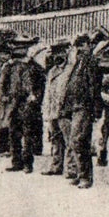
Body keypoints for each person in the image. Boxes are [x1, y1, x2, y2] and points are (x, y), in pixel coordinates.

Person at [60, 33, 104, 189]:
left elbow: (94, 87)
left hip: (84, 107)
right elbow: (70, 84)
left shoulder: (91, 63)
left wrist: (96, 109)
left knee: (79, 140)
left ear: (89, 46)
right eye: (77, 46)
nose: (79, 49)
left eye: (82, 45)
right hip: (74, 106)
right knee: (76, 141)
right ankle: (80, 175)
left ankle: (86, 177)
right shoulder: (78, 62)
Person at [4, 41, 44, 173]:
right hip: (14, 104)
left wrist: (36, 97)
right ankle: (16, 162)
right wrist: (6, 96)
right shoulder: (10, 67)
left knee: (28, 134)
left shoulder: (35, 68)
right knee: (13, 134)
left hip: (28, 105)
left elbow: (41, 86)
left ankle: (27, 163)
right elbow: (4, 83)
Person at [41, 41, 75, 176]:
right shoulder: (52, 71)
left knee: (69, 140)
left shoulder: (71, 70)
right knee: (55, 139)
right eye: (55, 54)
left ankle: (71, 169)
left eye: (60, 53)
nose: (57, 57)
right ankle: (56, 166)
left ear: (66, 53)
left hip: (65, 110)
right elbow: (47, 92)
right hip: (52, 110)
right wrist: (46, 110)